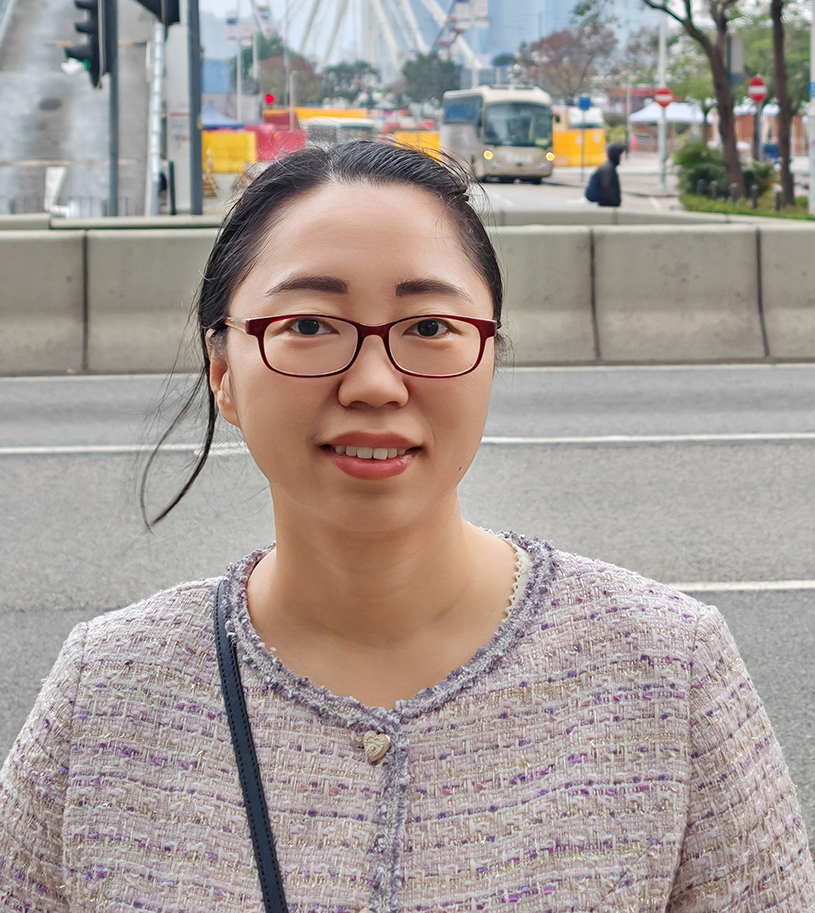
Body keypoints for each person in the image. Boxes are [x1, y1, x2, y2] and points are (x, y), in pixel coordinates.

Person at [0, 142, 813, 912]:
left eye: (428, 327)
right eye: (308, 325)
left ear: (489, 355)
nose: (375, 384)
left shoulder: (666, 669)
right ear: (223, 373)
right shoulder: (108, 689)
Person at [586, 142, 624, 207]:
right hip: (608, 208)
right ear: (617, 155)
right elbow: (608, 192)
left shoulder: (608, 168)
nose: (623, 158)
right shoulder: (608, 170)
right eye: (622, 156)